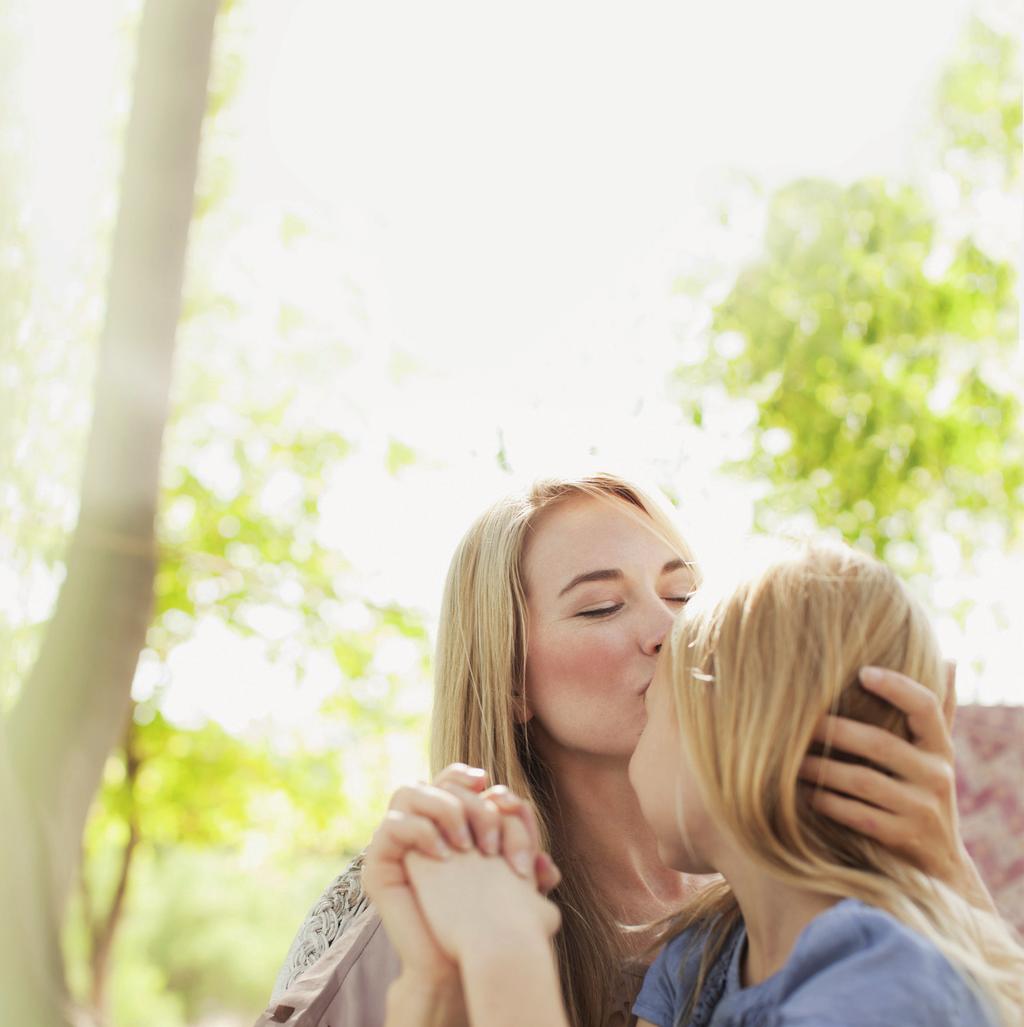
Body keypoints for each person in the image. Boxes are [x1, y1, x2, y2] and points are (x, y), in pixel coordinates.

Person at [257, 475, 995, 1027]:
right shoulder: (408, 903)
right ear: (509, 680)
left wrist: (941, 882)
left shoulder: (817, 939)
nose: (668, 631)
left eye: (686, 597)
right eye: (601, 605)